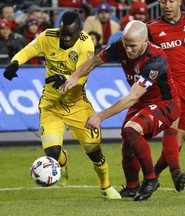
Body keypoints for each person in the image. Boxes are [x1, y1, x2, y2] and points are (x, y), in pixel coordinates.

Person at [2, 11, 121, 200]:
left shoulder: (85, 43)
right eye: (63, 33)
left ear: (79, 31)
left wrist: (65, 79)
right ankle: (62, 163)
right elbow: (28, 50)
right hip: (51, 105)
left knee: (94, 151)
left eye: (70, 35)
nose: (66, 38)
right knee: (52, 153)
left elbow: (83, 74)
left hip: (77, 105)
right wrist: (15, 63)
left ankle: (105, 186)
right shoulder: (48, 36)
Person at [61, 20, 182, 201]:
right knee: (127, 143)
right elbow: (93, 62)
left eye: (133, 46)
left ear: (145, 42)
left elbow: (132, 96)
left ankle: (151, 179)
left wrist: (100, 116)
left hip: (165, 104)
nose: (128, 50)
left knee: (131, 129)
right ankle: (132, 186)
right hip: (142, 101)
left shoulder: (156, 60)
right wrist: (74, 76)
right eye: (126, 45)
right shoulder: (120, 46)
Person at [146, 0, 185, 190]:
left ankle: (152, 177)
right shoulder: (152, 29)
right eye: (163, 1)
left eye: (171, 0)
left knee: (179, 140)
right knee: (171, 129)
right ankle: (176, 173)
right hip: (168, 89)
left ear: (179, 1)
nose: (167, 5)